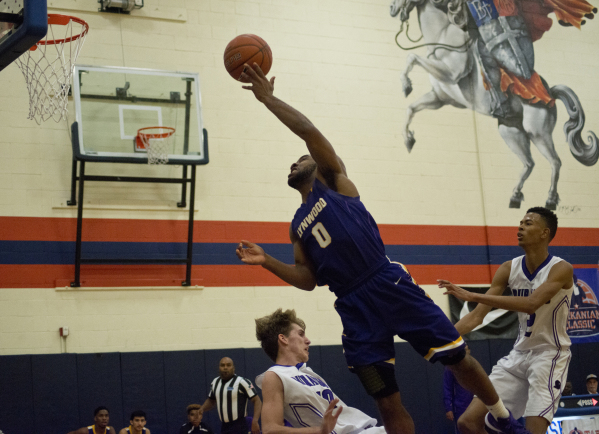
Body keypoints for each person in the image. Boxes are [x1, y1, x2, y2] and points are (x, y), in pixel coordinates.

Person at [234, 62, 530, 434]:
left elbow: (308, 131)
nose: (296, 161)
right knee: (386, 399)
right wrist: (266, 262)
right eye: (293, 162)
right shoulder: (297, 224)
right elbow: (308, 279)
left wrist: (268, 99)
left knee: (457, 357)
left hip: (386, 281)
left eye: (301, 158)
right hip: (353, 306)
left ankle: (502, 418)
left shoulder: (333, 179)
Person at [439, 207, 574, 434]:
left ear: (545, 233)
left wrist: (471, 295)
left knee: (533, 431)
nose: (521, 226)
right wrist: (437, 339)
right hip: (518, 356)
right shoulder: (508, 268)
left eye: (529, 223)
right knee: (468, 423)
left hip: (550, 356)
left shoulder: (561, 269)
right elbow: (476, 317)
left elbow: (531, 303)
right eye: (521, 222)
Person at [254, 308, 385, 434]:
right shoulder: (275, 375)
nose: (308, 341)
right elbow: (269, 429)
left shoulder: (307, 371)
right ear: (283, 339)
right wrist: (319, 431)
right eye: (300, 334)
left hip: (368, 428)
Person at [201, 357, 262, 434]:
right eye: (222, 365)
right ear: (219, 368)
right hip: (224, 426)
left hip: (240, 426)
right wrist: (201, 409)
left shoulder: (242, 382)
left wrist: (255, 421)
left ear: (233, 368)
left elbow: (257, 401)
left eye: (228, 365)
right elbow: (211, 400)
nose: (225, 368)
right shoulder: (215, 382)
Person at [444, 366, 474, 432]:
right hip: (460, 407)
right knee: (462, 430)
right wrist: (448, 408)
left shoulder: (471, 363)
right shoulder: (450, 366)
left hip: (474, 404)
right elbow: (447, 388)